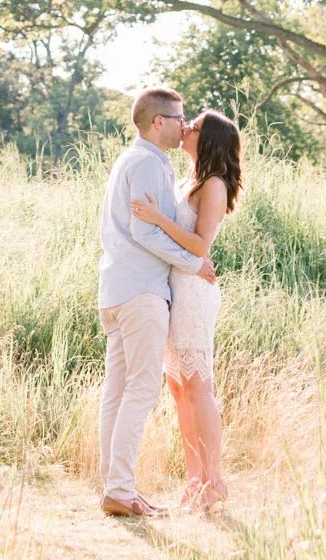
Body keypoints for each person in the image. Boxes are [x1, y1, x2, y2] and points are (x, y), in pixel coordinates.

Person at [97, 86, 218, 520]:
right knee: (141, 389)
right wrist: (193, 261)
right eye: (178, 117)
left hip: (115, 289)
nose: (183, 125)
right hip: (142, 292)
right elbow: (147, 231)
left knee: (117, 391)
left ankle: (114, 486)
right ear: (157, 122)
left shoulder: (130, 160)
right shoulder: (149, 162)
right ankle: (122, 490)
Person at [131, 108, 242, 512]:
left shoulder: (213, 184)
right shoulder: (189, 180)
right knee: (180, 390)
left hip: (194, 290)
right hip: (175, 287)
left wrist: (158, 218)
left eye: (193, 126)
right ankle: (194, 480)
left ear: (207, 138)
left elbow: (199, 246)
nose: (185, 129)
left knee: (198, 386)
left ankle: (214, 480)